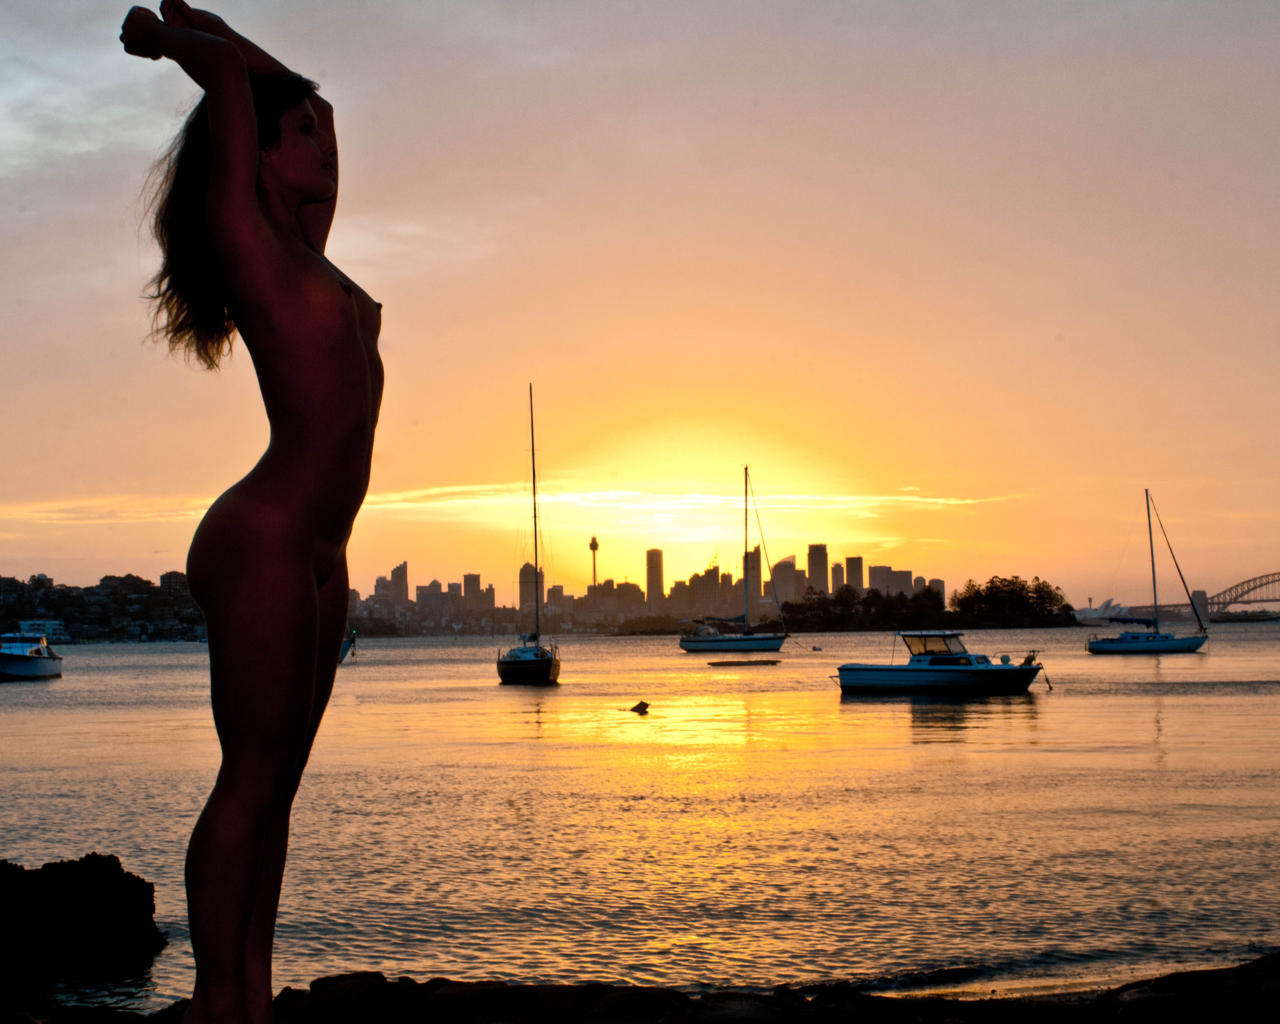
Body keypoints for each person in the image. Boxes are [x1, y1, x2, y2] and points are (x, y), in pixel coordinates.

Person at [120, 3, 383, 1021]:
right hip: (263, 540)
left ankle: (252, 997)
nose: (327, 139)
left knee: (277, 790)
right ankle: (217, 999)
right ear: (263, 156)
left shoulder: (307, 245)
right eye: (303, 131)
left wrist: (215, 25)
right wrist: (172, 42)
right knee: (249, 778)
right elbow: (236, 90)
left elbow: (303, 100)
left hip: (321, 550)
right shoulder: (248, 234)